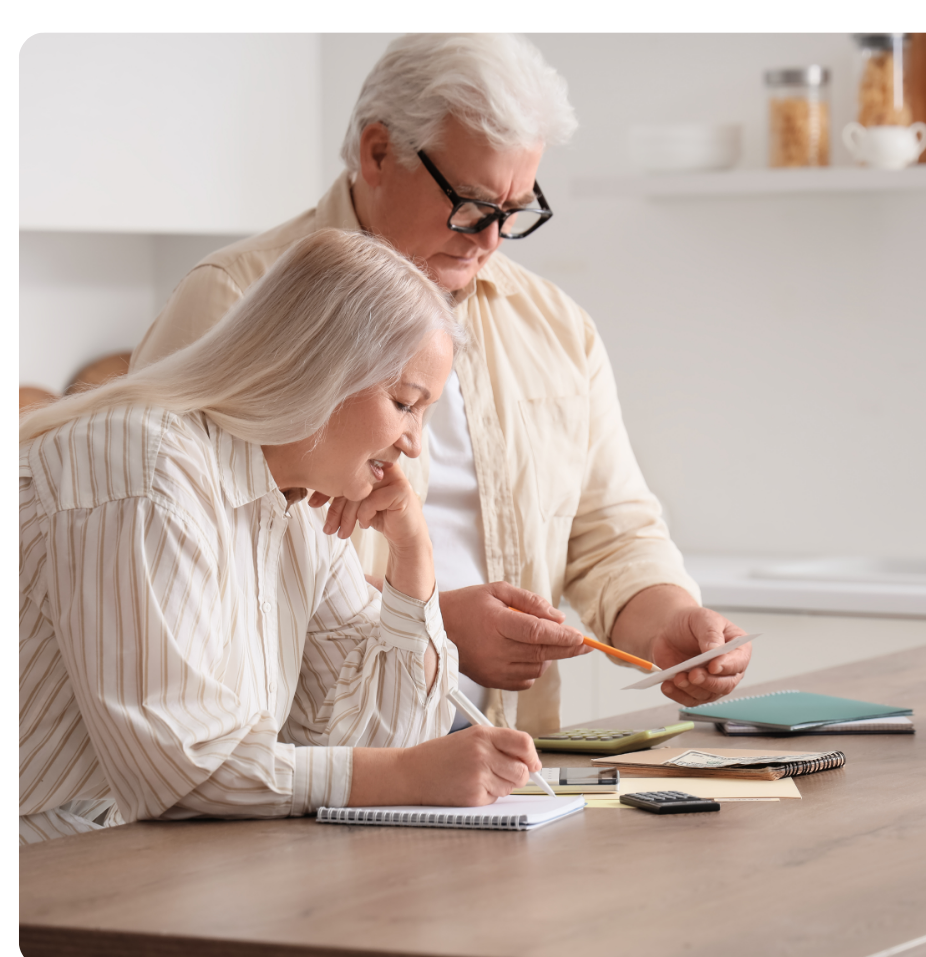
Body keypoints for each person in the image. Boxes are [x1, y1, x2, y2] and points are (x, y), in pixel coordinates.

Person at [131, 33, 753, 736]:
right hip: (300, 764)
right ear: (376, 153)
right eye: (472, 203)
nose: (490, 239)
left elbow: (612, 534)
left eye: (515, 211)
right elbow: (174, 551)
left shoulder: (555, 327)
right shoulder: (233, 301)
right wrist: (427, 619)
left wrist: (668, 622)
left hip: (501, 758)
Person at [18, 230, 543, 846]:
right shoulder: (143, 463)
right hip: (54, 867)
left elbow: (373, 738)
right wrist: (403, 776)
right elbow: (183, 769)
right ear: (322, 369)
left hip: (152, 862)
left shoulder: (297, 502)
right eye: (404, 402)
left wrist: (413, 560)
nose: (414, 442)